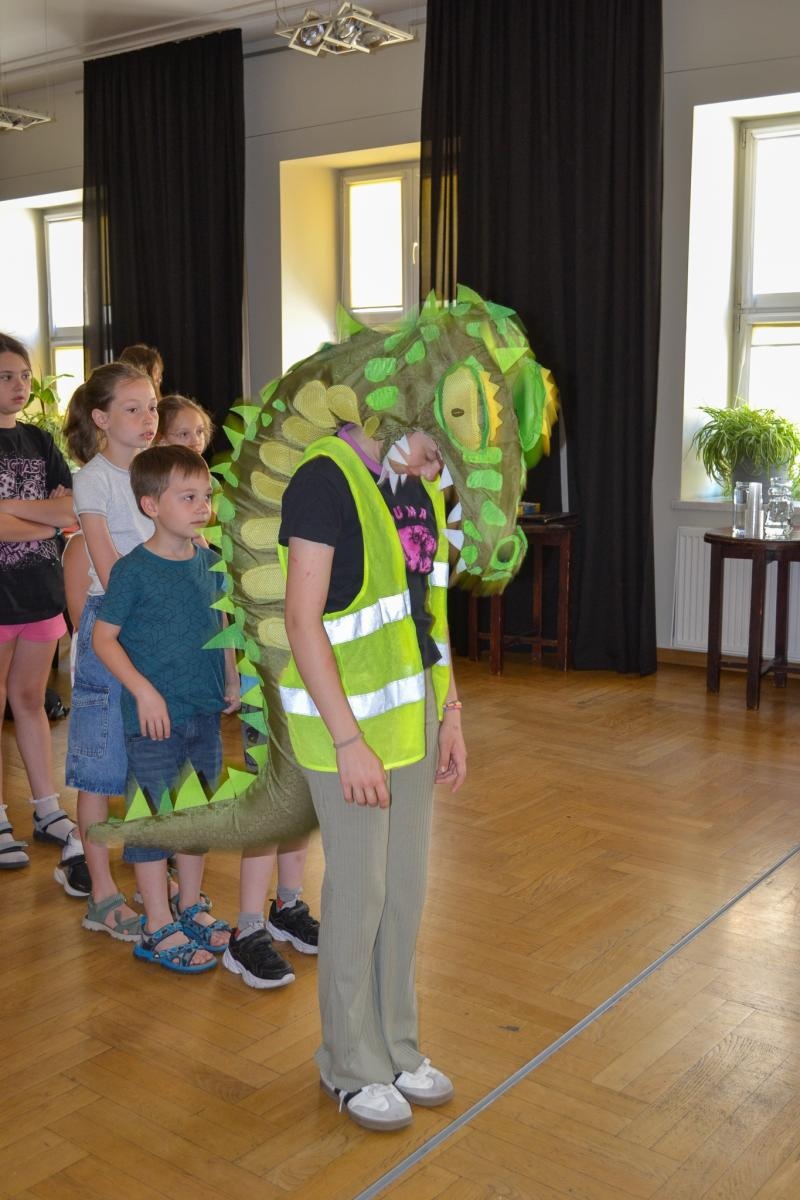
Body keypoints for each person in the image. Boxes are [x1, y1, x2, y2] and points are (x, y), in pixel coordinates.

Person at [278, 420, 466, 1131]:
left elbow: (427, 611)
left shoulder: (415, 488)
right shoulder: (322, 481)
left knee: (406, 889)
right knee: (360, 892)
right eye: (433, 437)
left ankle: (396, 1046)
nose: (437, 459)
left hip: (411, 711)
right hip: (345, 726)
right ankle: (350, 1063)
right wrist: (349, 739)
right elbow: (303, 621)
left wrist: (449, 710)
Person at [155, 393, 321, 987]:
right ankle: (247, 928)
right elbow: (228, 611)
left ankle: (288, 905)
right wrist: (233, 675)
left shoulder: (316, 504)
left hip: (311, 683)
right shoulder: (231, 523)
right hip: (263, 685)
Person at [92, 445, 240, 972]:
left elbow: (222, 624)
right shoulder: (133, 571)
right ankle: (156, 924)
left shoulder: (210, 562)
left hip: (203, 711)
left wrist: (231, 674)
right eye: (188, 497)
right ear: (151, 505)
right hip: (154, 720)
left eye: (206, 496)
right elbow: (105, 640)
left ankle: (190, 905)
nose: (203, 506)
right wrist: (144, 691)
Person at [63, 361, 160, 940]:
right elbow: (108, 566)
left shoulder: (158, 472)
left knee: (153, 758)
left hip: (160, 621)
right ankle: (101, 891)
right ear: (101, 418)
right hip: (114, 624)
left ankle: (152, 875)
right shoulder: (92, 480)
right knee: (100, 766)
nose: (149, 418)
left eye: (152, 406)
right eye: (134, 408)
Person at [0, 332, 89, 894]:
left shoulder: (38, 439)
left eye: (24, 376)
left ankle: (45, 806)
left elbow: (75, 507)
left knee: (30, 701)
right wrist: (49, 519)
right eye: (6, 376)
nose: (19, 386)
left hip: (40, 590)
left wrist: (22, 512)